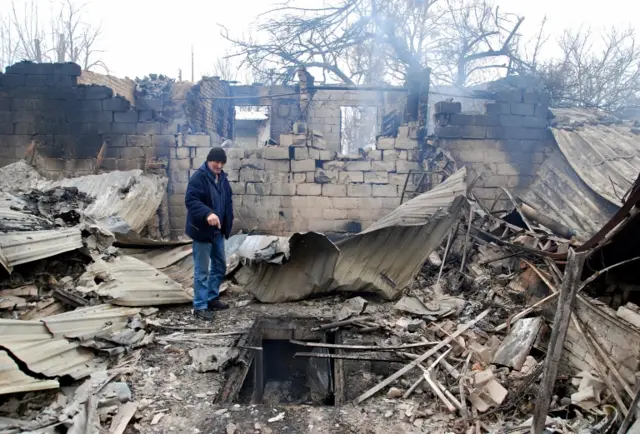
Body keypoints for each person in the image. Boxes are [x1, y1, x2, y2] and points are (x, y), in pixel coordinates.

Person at [185, 147, 234, 321]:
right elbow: (191, 200)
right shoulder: (199, 177)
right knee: (202, 270)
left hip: (218, 232)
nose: (219, 165)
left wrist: (227, 221)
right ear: (208, 160)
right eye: (216, 162)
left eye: (222, 162)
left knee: (220, 266)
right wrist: (208, 213)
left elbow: (227, 200)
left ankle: (211, 298)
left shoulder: (222, 178)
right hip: (202, 231)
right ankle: (199, 306)